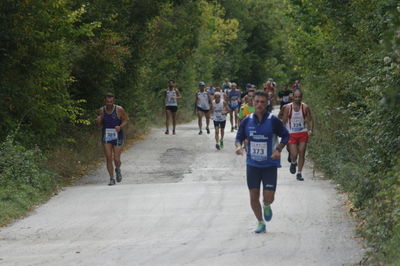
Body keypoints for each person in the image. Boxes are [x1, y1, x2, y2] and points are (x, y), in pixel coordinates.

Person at [235, 90, 289, 233]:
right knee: (253, 195)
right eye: (257, 101)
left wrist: (278, 149)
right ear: (253, 102)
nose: (259, 104)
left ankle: (266, 205)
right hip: (252, 164)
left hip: (269, 164)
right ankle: (260, 222)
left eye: (262, 102)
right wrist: (239, 147)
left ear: (267, 104)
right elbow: (239, 137)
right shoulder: (247, 120)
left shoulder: (273, 120)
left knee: (268, 197)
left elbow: (285, 136)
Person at [96, 93, 129, 186]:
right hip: (107, 136)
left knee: (116, 159)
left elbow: (126, 120)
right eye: (107, 101)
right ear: (105, 101)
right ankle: (111, 178)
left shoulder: (119, 109)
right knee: (108, 157)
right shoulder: (102, 110)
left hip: (118, 135)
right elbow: (100, 125)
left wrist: (120, 126)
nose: (109, 103)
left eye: (111, 101)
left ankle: (118, 169)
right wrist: (98, 121)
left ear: (114, 101)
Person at [282, 89, 314, 181]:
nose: (297, 99)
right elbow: (284, 121)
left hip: (303, 132)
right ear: (292, 97)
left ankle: (299, 173)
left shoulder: (305, 107)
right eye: (295, 97)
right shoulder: (288, 108)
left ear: (301, 97)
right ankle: (293, 162)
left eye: (299, 97)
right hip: (291, 133)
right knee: (294, 153)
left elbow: (310, 119)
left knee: (302, 152)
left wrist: (310, 129)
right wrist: (283, 132)